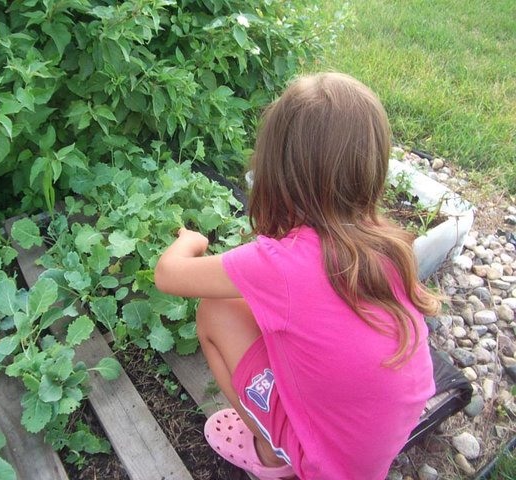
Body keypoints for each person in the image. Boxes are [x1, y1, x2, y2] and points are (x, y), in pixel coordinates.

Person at [154, 72, 440, 480]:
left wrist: (191, 239)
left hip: (330, 463)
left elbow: (168, 275)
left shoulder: (280, 264)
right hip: (380, 432)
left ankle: (275, 456)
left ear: (277, 170)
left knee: (216, 310)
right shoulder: (389, 243)